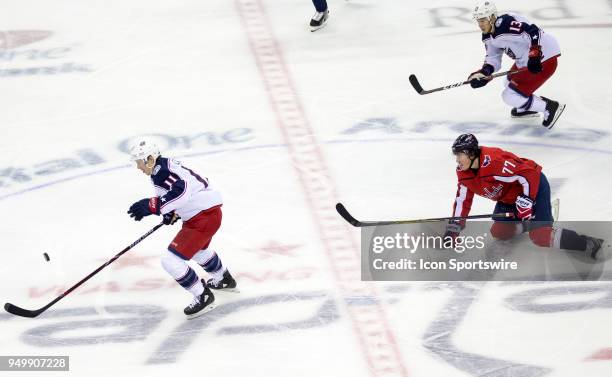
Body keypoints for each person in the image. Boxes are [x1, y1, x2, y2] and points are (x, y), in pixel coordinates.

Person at [445, 134, 605, 260]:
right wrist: (454, 228)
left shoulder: (494, 162)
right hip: (508, 199)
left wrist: (527, 200)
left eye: (460, 155)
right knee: (499, 231)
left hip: (533, 187)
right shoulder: (463, 172)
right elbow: (462, 200)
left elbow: (529, 174)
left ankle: (589, 243)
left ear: (472, 154)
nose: (457, 160)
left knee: (540, 237)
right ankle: (528, 224)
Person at [127, 138, 237, 319]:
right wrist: (170, 212)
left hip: (203, 217)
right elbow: (182, 191)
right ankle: (223, 278)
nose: (138, 167)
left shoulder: (163, 171)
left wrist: (152, 205)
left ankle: (203, 296)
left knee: (170, 261)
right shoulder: (161, 169)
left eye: (139, 162)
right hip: (205, 215)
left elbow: (182, 191)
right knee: (199, 251)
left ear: (149, 158)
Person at [468, 0, 565, 129]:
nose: (480, 24)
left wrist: (535, 54)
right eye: (478, 20)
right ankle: (526, 108)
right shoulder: (488, 36)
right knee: (507, 82)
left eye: (482, 20)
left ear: (492, 17)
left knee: (509, 96)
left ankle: (549, 107)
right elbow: (493, 58)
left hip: (543, 58)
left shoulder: (505, 24)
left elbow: (533, 31)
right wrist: (483, 73)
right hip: (525, 61)